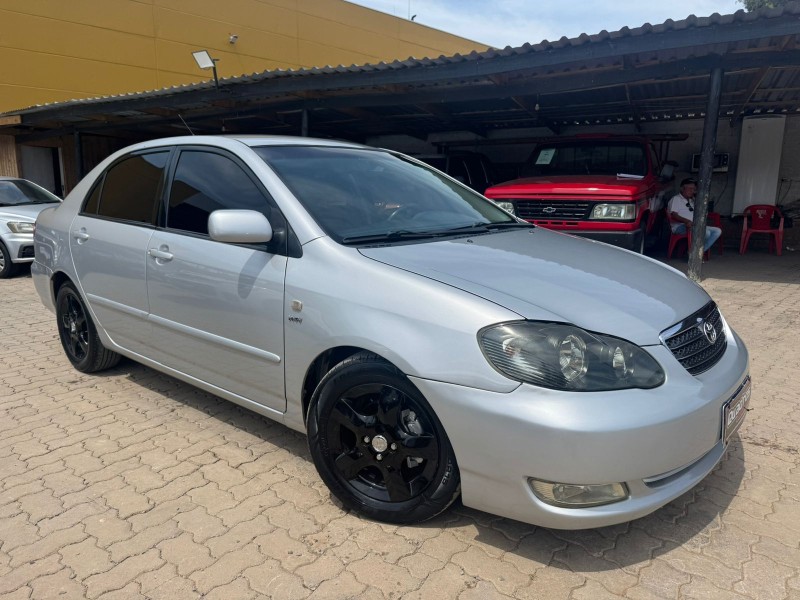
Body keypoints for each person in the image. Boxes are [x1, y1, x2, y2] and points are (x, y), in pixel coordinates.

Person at [668, 177, 722, 253]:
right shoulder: (676, 199)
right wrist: (686, 221)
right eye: (690, 188)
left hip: (694, 225)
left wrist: (697, 199)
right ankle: (695, 254)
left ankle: (695, 253)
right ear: (682, 188)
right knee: (706, 233)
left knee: (717, 231)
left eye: (694, 189)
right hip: (681, 226)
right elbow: (674, 215)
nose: (692, 191)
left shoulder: (692, 200)